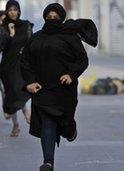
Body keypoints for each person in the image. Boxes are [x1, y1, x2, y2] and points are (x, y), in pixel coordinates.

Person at [20, 3, 97, 171]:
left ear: (61, 19)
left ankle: (71, 129)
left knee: (64, 123)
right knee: (47, 123)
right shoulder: (36, 37)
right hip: (42, 89)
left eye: (55, 18)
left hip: (64, 90)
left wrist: (71, 74)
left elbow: (82, 60)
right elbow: (25, 62)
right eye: (49, 17)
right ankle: (48, 162)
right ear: (44, 18)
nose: (52, 20)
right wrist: (30, 82)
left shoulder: (70, 37)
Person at [0, 0, 32, 137]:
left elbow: (30, 43)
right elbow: (0, 46)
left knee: (20, 90)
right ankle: (16, 125)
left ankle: (27, 114)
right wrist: (11, 34)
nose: (13, 12)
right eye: (10, 9)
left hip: (22, 64)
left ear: (19, 11)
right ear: (7, 11)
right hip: (8, 66)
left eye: (15, 9)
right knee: (12, 92)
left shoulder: (25, 25)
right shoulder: (3, 28)